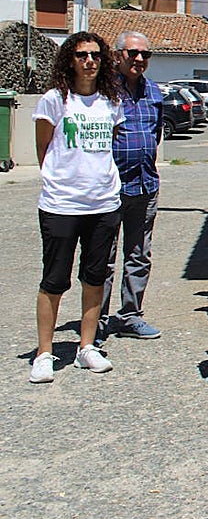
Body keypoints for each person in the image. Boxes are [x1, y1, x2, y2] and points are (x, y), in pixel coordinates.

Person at [30, 33, 125, 383]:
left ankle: (87, 347)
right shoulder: (55, 100)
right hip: (61, 204)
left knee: (95, 277)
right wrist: (62, 180)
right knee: (54, 280)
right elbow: (43, 149)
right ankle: (44, 353)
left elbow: (107, 148)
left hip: (103, 203)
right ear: (70, 59)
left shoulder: (110, 102)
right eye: (83, 55)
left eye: (96, 56)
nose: (90, 61)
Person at [101, 30, 164, 342]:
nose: (139, 59)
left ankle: (130, 315)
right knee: (103, 256)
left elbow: (156, 135)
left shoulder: (154, 92)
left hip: (145, 185)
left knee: (138, 254)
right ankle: (96, 320)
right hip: (109, 188)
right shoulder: (103, 91)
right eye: (132, 53)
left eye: (145, 54)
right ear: (118, 56)